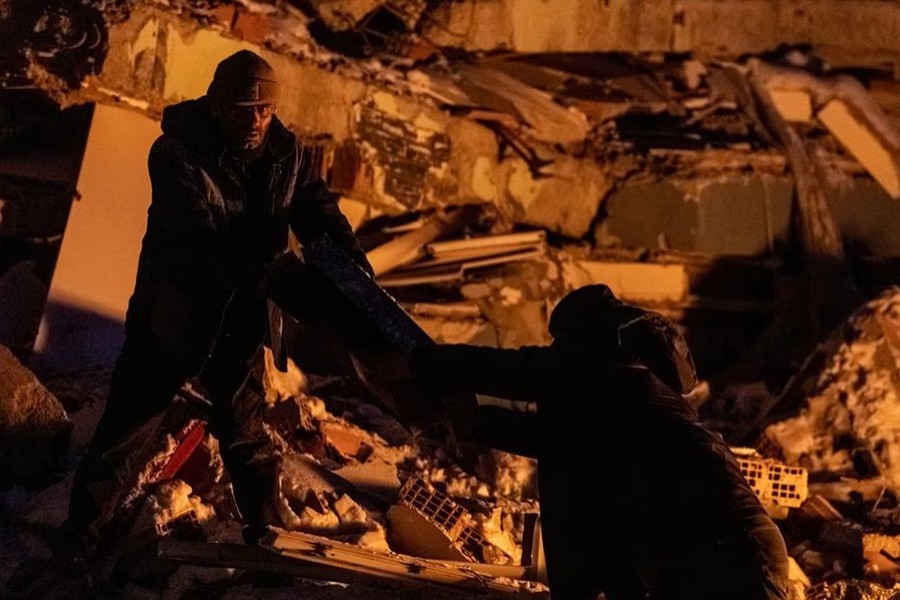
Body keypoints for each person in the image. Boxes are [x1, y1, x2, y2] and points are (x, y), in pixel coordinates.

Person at [65, 49, 373, 551]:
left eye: (265, 110)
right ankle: (77, 544)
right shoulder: (175, 153)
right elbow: (197, 242)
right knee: (126, 435)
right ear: (215, 105)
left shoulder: (285, 154)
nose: (255, 120)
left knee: (246, 437)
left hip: (242, 322)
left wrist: (355, 275)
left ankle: (265, 546)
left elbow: (319, 214)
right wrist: (286, 283)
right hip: (174, 316)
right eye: (243, 109)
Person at [405, 284, 790, 600]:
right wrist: (472, 423)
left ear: (585, 338)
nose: (558, 351)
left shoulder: (605, 376)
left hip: (719, 550)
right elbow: (559, 440)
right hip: (732, 546)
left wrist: (415, 364)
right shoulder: (637, 398)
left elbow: (503, 371)